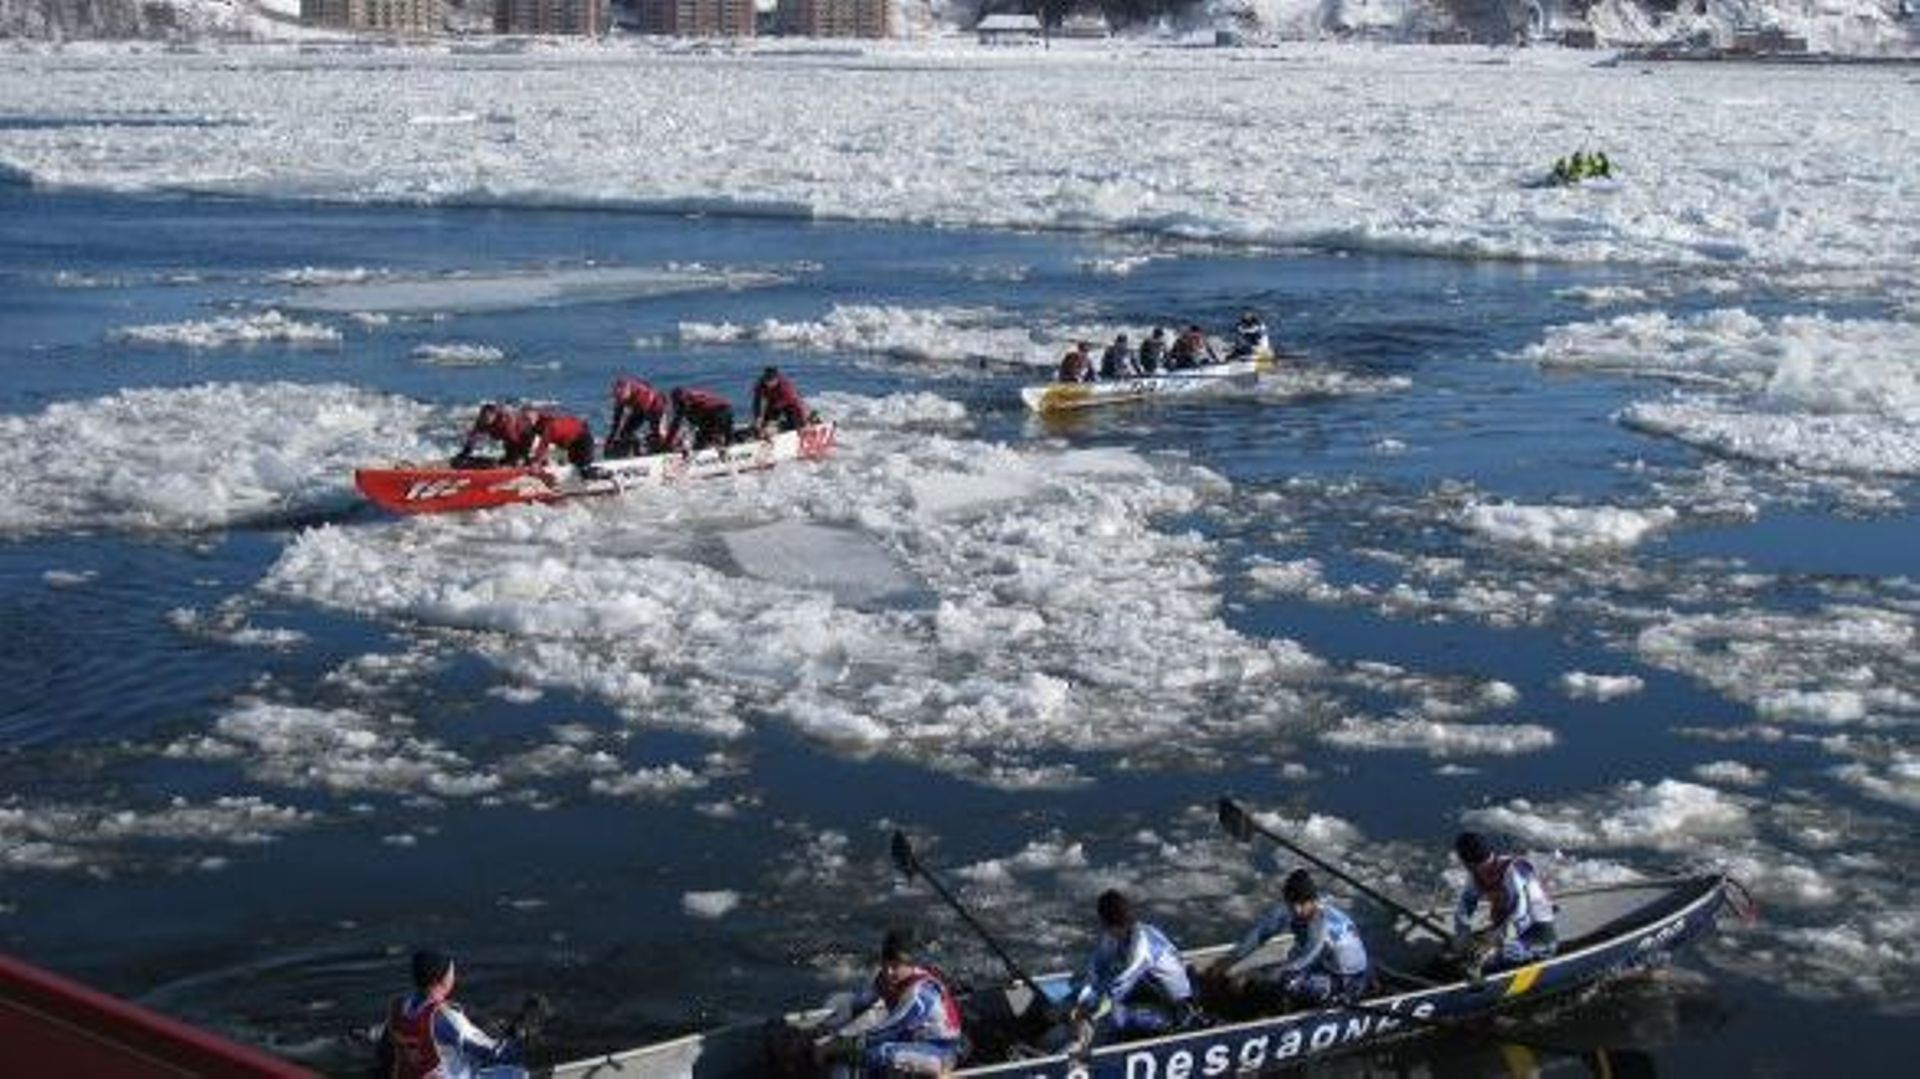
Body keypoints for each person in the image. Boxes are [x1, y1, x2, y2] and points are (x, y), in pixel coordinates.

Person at [815, 928, 964, 1077]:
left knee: (883, 1051)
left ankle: (939, 1068)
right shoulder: (886, 978)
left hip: (940, 1049)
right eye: (885, 965)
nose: (888, 972)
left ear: (911, 964)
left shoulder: (920, 994)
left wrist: (836, 1044)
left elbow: (888, 1030)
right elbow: (865, 1001)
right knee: (868, 1049)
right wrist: (831, 1023)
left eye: (895, 966)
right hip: (910, 1038)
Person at [1213, 869, 1370, 1007]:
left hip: (1346, 981)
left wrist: (1263, 978)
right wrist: (1234, 958)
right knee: (1265, 976)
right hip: (1322, 965)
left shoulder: (1320, 925)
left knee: (1285, 982)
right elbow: (1264, 931)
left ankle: (1280, 1012)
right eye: (1292, 904)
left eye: (1301, 904)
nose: (1296, 909)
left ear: (1313, 900)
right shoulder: (1301, 907)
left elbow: (1304, 959)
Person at [1068, 889, 1199, 1048]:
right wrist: (1082, 1000)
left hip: (1178, 1010)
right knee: (1082, 993)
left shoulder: (1142, 950)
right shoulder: (1115, 934)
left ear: (1105, 921)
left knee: (1114, 1017)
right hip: (1150, 993)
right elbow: (1097, 967)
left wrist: (1086, 1013)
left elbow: (1117, 989)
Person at [375, 948, 528, 1079]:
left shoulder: (397, 1006)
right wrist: (518, 1037)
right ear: (442, 980)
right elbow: (490, 1051)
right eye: (452, 971)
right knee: (517, 1072)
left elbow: (385, 1049)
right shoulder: (444, 1016)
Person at [1452, 831, 1557, 973]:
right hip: (1507, 932)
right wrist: (1462, 932)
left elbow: (1521, 916)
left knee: (1485, 961)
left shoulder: (1513, 872)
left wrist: (1491, 943)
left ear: (1468, 862)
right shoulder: (1476, 873)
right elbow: (1466, 904)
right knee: (1460, 953)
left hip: (1538, 936)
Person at [606, 375, 669, 458]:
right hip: (639, 409)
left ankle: (665, 449)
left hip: (657, 407)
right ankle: (628, 452)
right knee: (625, 432)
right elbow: (616, 421)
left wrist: (651, 436)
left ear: (627, 392)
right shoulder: (620, 398)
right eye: (618, 398)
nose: (620, 401)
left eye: (622, 398)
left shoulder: (641, 394)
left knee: (657, 434)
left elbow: (648, 416)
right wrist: (611, 439)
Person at [455, 403, 535, 467]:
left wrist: (520, 458)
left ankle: (528, 463)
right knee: (508, 458)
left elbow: (514, 440)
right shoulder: (481, 422)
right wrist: (465, 453)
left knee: (515, 459)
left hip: (525, 435)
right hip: (509, 438)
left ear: (494, 415)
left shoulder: (505, 422)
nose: (485, 420)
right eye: (483, 417)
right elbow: (472, 438)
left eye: (488, 417)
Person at [666, 387, 735, 450]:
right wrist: (668, 440)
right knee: (700, 442)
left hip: (721, 412)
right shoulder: (682, 405)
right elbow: (675, 423)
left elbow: (719, 412)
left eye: (681, 403)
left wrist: (717, 432)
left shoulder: (697, 401)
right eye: (677, 404)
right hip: (709, 417)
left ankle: (729, 445)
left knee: (723, 436)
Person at [525, 408, 593, 469]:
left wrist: (536, 461)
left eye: (530, 419)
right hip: (569, 442)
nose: (528, 422)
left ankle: (598, 476)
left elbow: (543, 445)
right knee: (573, 465)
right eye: (526, 419)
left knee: (583, 467)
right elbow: (531, 440)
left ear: (536, 417)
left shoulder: (549, 426)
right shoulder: (536, 426)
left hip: (581, 438)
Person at [751, 366, 809, 435]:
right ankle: (766, 430)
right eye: (767, 381)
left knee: (796, 422)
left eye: (771, 381)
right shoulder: (760, 384)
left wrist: (804, 422)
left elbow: (798, 404)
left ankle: (780, 427)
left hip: (790, 403)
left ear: (776, 379)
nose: (769, 384)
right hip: (773, 402)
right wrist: (758, 417)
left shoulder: (785, 387)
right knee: (765, 422)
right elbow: (756, 402)